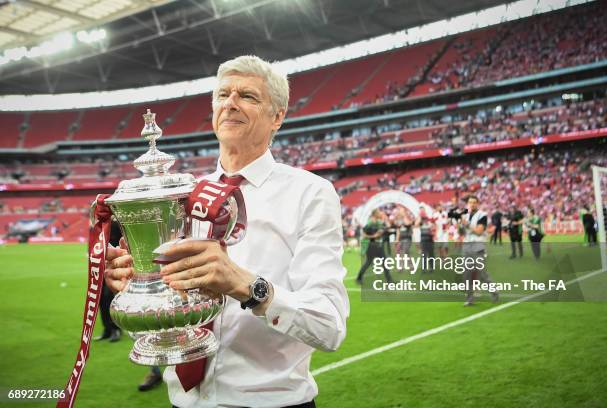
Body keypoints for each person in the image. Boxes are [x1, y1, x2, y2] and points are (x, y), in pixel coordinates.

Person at [105, 55, 349, 408]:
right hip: (184, 402)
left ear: (277, 117)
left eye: (248, 96)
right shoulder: (181, 195)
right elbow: (162, 326)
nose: (231, 102)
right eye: (223, 95)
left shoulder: (310, 192)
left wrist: (247, 286)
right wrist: (141, 289)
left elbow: (329, 327)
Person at [461, 195, 499, 306]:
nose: (472, 204)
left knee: (482, 274)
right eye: (470, 202)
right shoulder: (465, 215)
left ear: (477, 203)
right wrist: (459, 225)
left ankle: (494, 292)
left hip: (478, 246)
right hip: (467, 246)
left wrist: (466, 224)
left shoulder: (483, 215)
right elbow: (462, 232)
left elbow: (478, 231)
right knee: (466, 274)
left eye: (474, 202)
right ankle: (470, 299)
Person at [96, 220, 122, 342]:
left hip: (113, 266)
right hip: (99, 267)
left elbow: (122, 243)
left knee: (109, 298)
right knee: (100, 299)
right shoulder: (97, 226)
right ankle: (106, 329)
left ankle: (116, 329)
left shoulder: (115, 225)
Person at [356, 210, 393, 284]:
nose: (380, 213)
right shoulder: (370, 223)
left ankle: (389, 280)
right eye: (379, 212)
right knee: (369, 262)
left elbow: (388, 227)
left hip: (379, 246)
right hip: (372, 246)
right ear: (375, 214)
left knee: (384, 262)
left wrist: (385, 219)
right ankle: (359, 277)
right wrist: (373, 236)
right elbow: (363, 235)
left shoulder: (379, 222)